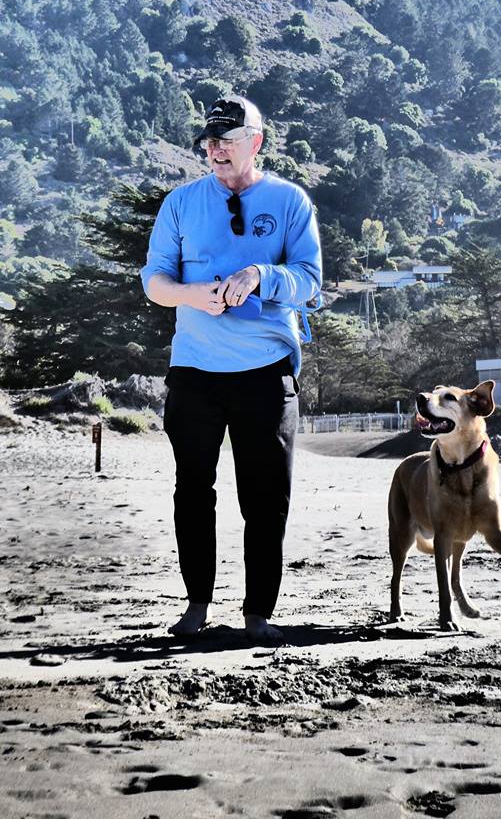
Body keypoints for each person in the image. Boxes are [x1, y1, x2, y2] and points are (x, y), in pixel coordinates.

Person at [140, 95, 322, 642]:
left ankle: (257, 614)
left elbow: (310, 282)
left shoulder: (291, 202)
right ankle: (196, 605)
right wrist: (194, 294)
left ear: (256, 142)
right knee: (192, 490)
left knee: (265, 497)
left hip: (266, 373)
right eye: (209, 140)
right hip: (195, 372)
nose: (215, 148)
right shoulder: (180, 203)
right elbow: (154, 281)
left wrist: (261, 275)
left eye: (227, 138)